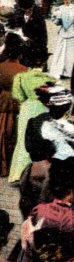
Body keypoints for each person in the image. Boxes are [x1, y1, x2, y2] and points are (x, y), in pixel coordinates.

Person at [0, 43, 27, 177]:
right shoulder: (23, 69)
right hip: (18, 103)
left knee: (3, 134)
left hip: (3, 102)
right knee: (17, 135)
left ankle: (3, 165)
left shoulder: (1, 67)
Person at [49, 0, 74, 79]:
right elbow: (56, 22)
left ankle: (69, 72)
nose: (66, 1)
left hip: (72, 33)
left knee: (70, 53)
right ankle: (59, 71)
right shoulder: (60, 8)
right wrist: (57, 19)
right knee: (60, 52)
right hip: (63, 32)